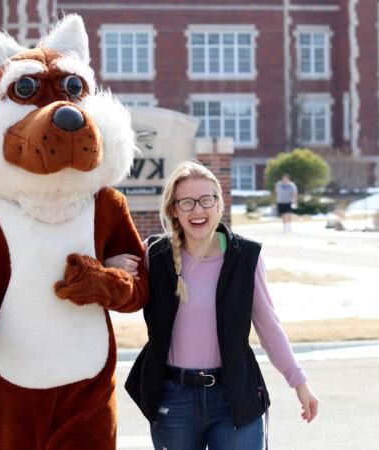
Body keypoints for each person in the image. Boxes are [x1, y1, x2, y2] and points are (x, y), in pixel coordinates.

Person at [106, 160, 318, 450]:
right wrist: (112, 266)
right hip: (173, 398)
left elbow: (268, 326)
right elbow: (114, 283)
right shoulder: (153, 255)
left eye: (207, 200)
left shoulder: (246, 257)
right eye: (187, 202)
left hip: (233, 398)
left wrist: (299, 382)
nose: (198, 210)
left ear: (219, 204)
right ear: (173, 210)